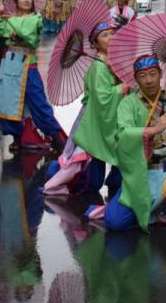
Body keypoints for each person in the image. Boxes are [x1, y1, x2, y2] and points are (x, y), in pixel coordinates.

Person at [86, 55, 166, 231]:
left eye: (153, 74)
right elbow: (123, 135)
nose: (148, 80)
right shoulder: (128, 103)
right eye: (142, 76)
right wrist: (154, 130)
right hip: (142, 172)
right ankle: (158, 207)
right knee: (115, 222)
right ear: (136, 79)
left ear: (161, 74)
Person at [0, 0, 66, 151]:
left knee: (38, 101)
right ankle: (18, 137)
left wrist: (9, 29)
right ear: (16, 2)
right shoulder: (10, 19)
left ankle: (56, 137)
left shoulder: (36, 18)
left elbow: (28, 35)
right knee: (9, 102)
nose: (26, 0)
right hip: (10, 65)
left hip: (28, 64)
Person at [44, 21, 123, 197]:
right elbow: (102, 99)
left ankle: (113, 181)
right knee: (91, 173)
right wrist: (121, 88)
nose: (110, 38)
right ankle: (58, 172)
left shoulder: (111, 63)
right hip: (94, 120)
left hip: (108, 118)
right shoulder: (98, 67)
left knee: (115, 151)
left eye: (112, 33)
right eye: (105, 35)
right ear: (95, 44)